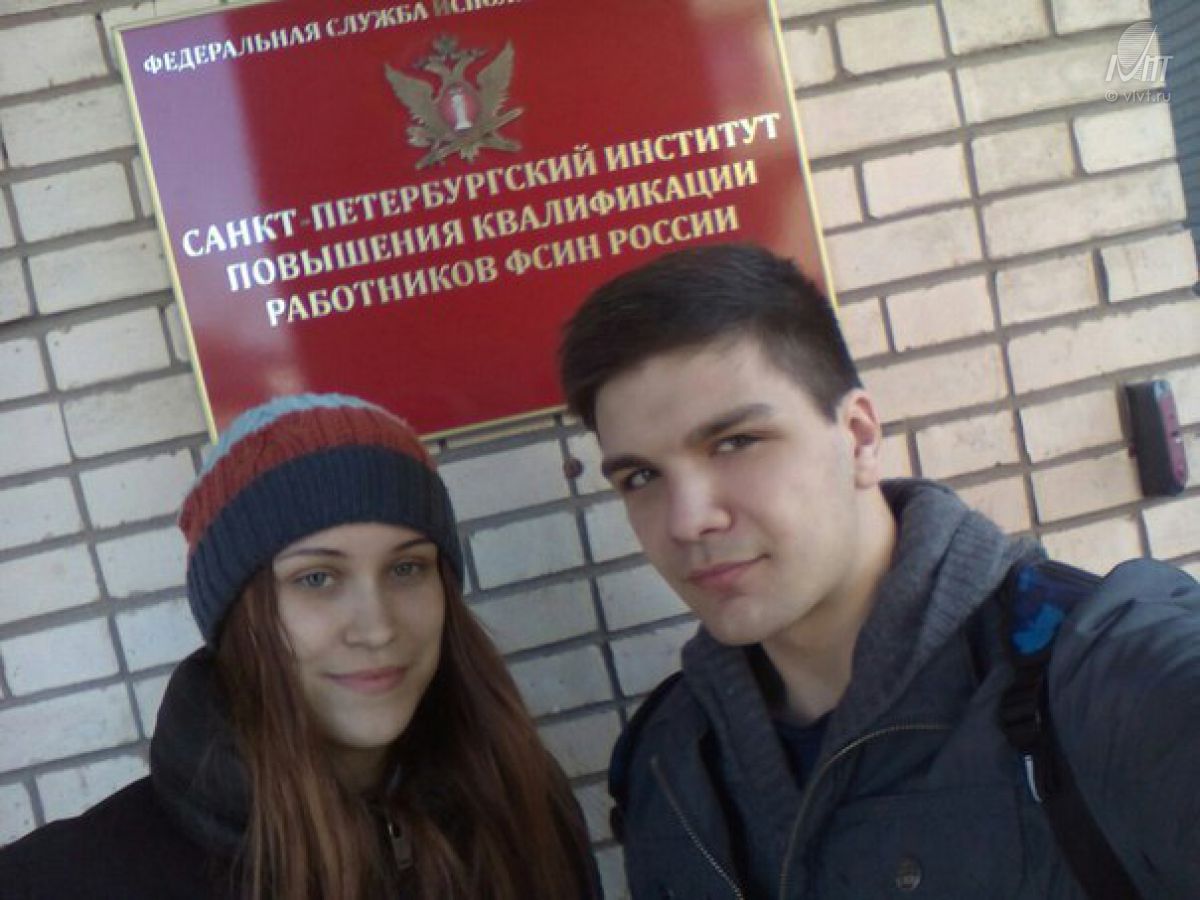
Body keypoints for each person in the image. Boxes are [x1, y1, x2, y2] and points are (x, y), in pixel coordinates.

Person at [558, 242, 1200, 899]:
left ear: (860, 437)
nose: (687, 520)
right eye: (641, 477)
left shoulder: (1108, 678)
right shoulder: (666, 766)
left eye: (735, 442)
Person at [0, 394, 598, 900]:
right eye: (316, 578)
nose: (376, 628)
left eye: (407, 568)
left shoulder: (524, 807)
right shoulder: (70, 879)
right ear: (240, 618)